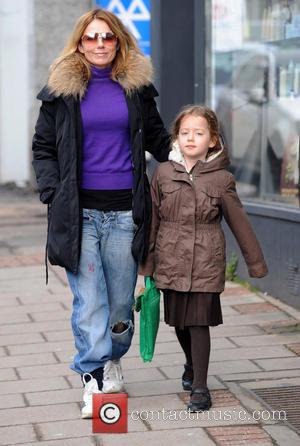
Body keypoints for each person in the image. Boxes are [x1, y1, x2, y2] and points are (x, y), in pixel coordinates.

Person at [32, 8, 170, 419]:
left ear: (119, 41)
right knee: (88, 300)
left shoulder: (136, 89)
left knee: (119, 305)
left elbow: (159, 139)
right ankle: (92, 376)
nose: (99, 44)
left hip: (127, 212)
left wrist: (192, 155)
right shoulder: (61, 92)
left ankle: (113, 358)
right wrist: (53, 193)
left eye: (107, 37)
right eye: (91, 37)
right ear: (79, 42)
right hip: (80, 215)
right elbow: (43, 148)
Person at [139, 105, 268, 412]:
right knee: (180, 322)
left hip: (206, 259)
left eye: (199, 133)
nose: (191, 138)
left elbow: (239, 221)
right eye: (185, 133)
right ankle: (190, 363)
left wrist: (255, 263)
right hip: (171, 259)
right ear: (176, 137)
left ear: (212, 140)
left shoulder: (222, 179)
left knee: (198, 323)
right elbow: (153, 220)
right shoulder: (162, 174)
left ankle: (200, 387)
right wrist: (147, 266)